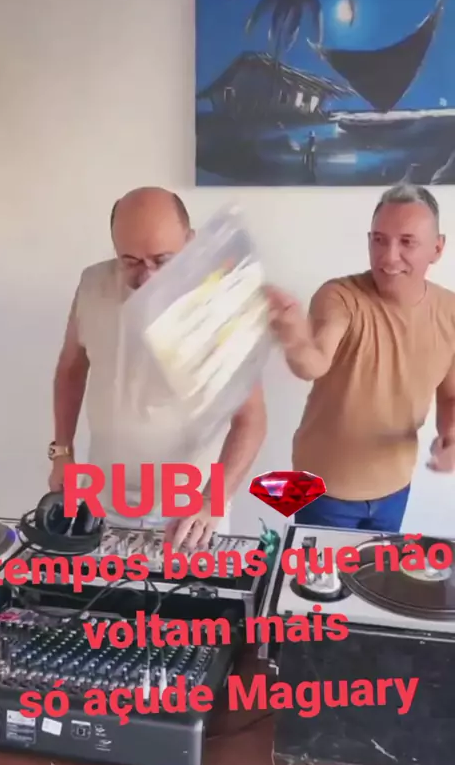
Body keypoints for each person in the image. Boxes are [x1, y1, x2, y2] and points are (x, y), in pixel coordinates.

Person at [48, 187, 266, 548]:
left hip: (190, 509)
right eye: (131, 261)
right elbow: (71, 368)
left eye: (162, 260)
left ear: (191, 242)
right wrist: (62, 452)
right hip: (102, 497)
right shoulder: (92, 285)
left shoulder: (221, 301)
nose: (147, 276)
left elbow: (252, 418)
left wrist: (212, 501)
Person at [266, 183, 455, 533]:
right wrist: (292, 335)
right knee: (315, 571)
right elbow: (313, 363)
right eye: (379, 240)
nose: (388, 257)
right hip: (321, 488)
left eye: (407, 242)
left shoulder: (450, 311)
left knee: (375, 569)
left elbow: (450, 395)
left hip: (396, 485)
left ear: (437, 248)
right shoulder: (339, 296)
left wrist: (450, 435)